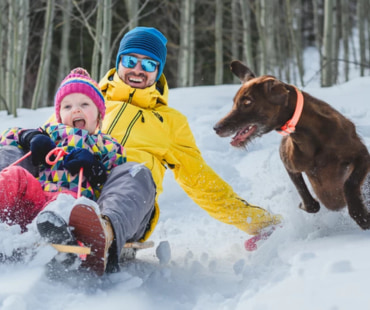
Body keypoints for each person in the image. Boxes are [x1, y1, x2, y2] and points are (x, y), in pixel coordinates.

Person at [98, 27, 282, 241]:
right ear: (119, 62)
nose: (137, 70)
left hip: (131, 210)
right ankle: (59, 222)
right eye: (130, 61)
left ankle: (103, 232)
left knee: (136, 174)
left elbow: (201, 182)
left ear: (157, 72)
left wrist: (259, 223)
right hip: (79, 192)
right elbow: (51, 140)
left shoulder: (169, 122)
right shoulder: (85, 100)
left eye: (148, 64)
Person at [0, 68, 156, 275]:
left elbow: (115, 182)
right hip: (35, 197)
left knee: (68, 204)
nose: (75, 110)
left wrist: (95, 168)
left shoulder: (107, 145)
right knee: (14, 176)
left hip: (73, 206)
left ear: (99, 116)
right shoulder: (49, 133)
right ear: (59, 115)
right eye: (67, 106)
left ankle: (64, 234)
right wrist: (30, 137)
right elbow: (7, 138)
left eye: (84, 104)